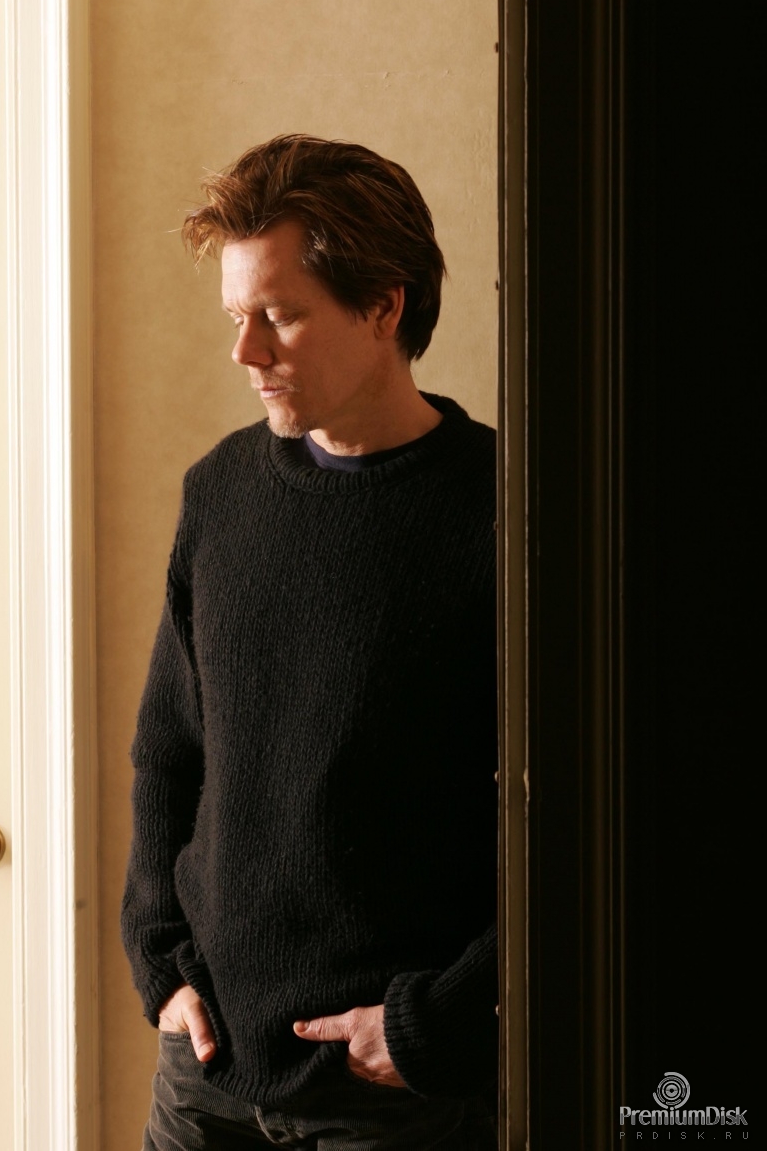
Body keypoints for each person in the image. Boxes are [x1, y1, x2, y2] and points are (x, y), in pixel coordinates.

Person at [122, 134, 499, 1149]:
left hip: (391, 1092)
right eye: (235, 318)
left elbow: (584, 815)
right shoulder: (222, 490)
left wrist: (443, 1018)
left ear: (383, 307)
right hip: (202, 1072)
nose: (245, 353)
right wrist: (160, 963)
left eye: (279, 316)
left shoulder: (505, 511)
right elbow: (170, 751)